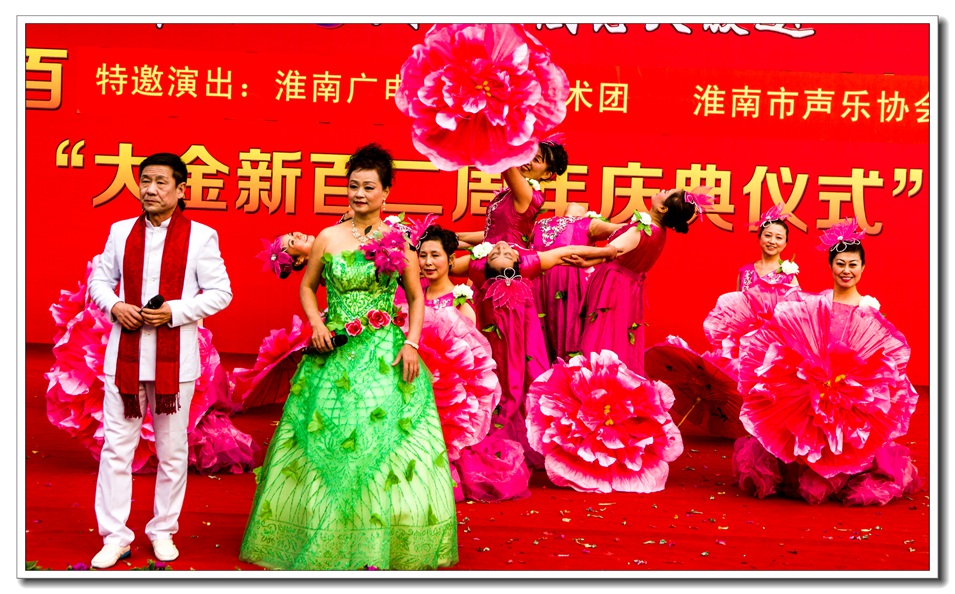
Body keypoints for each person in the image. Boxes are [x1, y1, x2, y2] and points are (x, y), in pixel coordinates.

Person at [239, 143, 458, 570]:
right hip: (333, 352)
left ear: (386, 192)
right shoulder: (328, 237)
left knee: (379, 443)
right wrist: (316, 325)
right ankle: (325, 531)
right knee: (328, 437)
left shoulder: (398, 240)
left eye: (369, 187)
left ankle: (376, 540)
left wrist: (411, 343)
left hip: (383, 354)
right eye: (354, 185)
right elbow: (307, 286)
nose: (359, 194)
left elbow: (416, 297)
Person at [87, 152, 233, 568]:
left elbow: (221, 292)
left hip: (175, 363)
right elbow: (99, 280)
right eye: (145, 181)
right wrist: (115, 305)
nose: (150, 190)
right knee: (117, 449)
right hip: (125, 360)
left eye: (160, 182)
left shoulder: (201, 236)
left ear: (181, 189)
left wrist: (175, 311)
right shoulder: (120, 232)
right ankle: (115, 536)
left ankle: (163, 530)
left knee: (171, 451)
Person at [732, 219, 921, 505]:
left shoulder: (869, 308)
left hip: (852, 396)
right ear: (831, 266)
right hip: (810, 389)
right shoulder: (817, 303)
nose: (846, 270)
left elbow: (881, 359)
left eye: (853, 264)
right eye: (840, 264)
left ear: (863, 267)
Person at [451, 239, 618, 470]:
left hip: (523, 338)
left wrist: (605, 253)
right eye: (497, 253)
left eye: (503, 252)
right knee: (499, 380)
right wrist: (606, 253)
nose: (500, 247)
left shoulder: (504, 264)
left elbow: (569, 252)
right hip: (494, 338)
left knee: (528, 378)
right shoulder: (511, 264)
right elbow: (566, 252)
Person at [573, 187, 706, 376]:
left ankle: (594, 378)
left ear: (663, 209)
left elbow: (609, 251)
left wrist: (580, 258)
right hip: (628, 290)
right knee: (616, 337)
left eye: (667, 192)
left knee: (601, 334)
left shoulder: (643, 229)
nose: (662, 189)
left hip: (611, 286)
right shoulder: (660, 232)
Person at [531, 202, 624, 362]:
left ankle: (560, 369)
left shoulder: (542, 225)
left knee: (558, 328)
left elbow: (623, 230)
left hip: (554, 281)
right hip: (555, 280)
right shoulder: (584, 223)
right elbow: (624, 229)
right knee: (557, 329)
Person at [456, 138, 569, 249]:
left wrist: (495, 134)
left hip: (509, 257)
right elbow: (494, 235)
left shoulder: (528, 194)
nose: (528, 161)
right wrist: (456, 237)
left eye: (536, 160)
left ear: (546, 174)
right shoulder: (510, 193)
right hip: (497, 253)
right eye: (528, 155)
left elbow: (504, 159)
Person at [737, 204, 800, 292]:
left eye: (779, 237)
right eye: (768, 235)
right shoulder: (745, 271)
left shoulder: (788, 276)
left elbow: (797, 301)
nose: (772, 241)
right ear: (759, 238)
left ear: (785, 243)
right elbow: (737, 300)